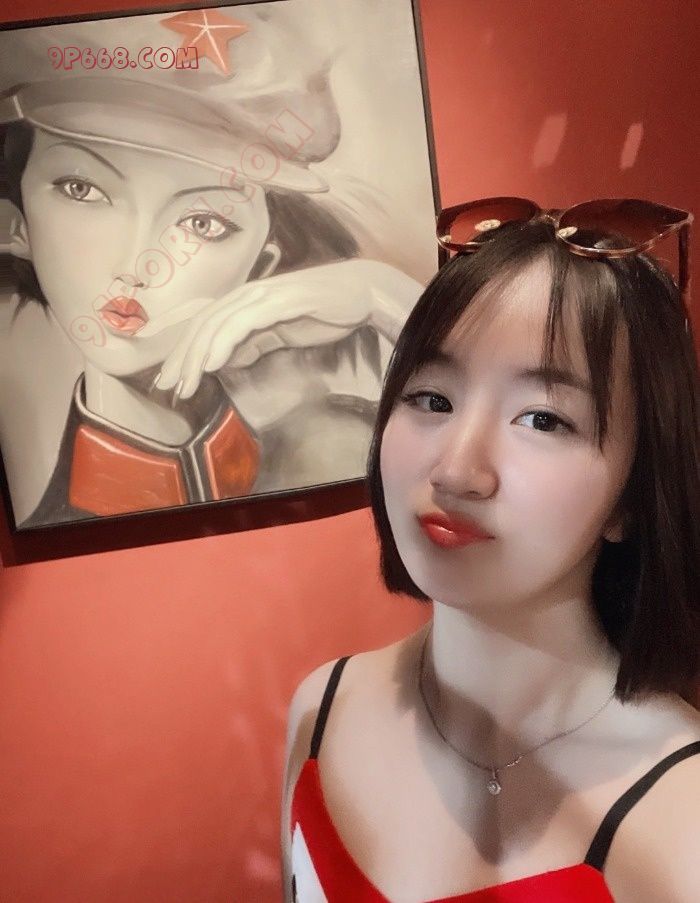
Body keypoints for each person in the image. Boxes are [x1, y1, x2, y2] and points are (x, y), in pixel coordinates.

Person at [282, 198, 700, 901]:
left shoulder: (682, 818)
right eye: (431, 399)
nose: (456, 470)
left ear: (633, 494)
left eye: (543, 419)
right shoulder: (320, 708)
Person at [0, 4, 431, 527]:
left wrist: (385, 297)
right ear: (16, 225)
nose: (138, 265)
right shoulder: (50, 532)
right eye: (82, 189)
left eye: (204, 222)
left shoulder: (348, 444)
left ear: (261, 265)